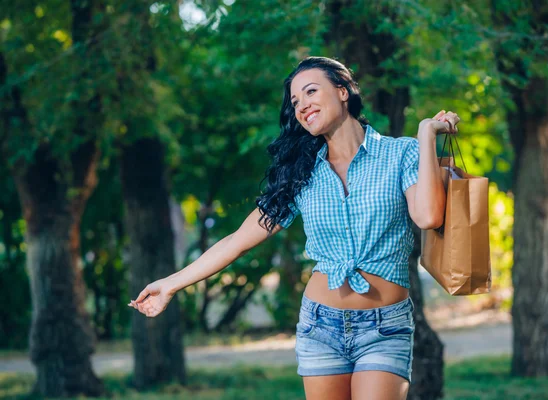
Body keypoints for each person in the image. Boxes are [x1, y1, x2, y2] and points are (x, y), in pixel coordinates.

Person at [129, 56, 459, 400]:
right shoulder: (301, 175)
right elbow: (238, 240)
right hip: (321, 326)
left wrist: (425, 135)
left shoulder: (401, 153)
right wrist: (170, 284)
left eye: (311, 92)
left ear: (343, 91)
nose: (302, 105)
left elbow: (428, 217)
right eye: (295, 102)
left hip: (385, 327)